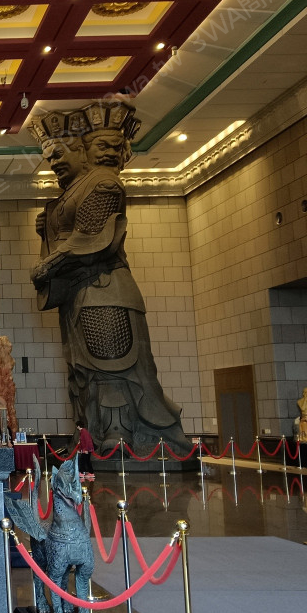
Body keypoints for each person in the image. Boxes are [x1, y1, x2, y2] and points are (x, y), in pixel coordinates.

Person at [29, 101, 190, 457]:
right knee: (84, 369)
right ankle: (94, 434)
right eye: (49, 156)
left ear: (80, 150)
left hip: (106, 290)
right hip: (79, 294)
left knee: (112, 365)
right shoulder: (72, 192)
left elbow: (91, 240)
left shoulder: (103, 184)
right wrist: (46, 230)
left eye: (59, 153)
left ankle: (121, 434)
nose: (53, 161)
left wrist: (48, 264)